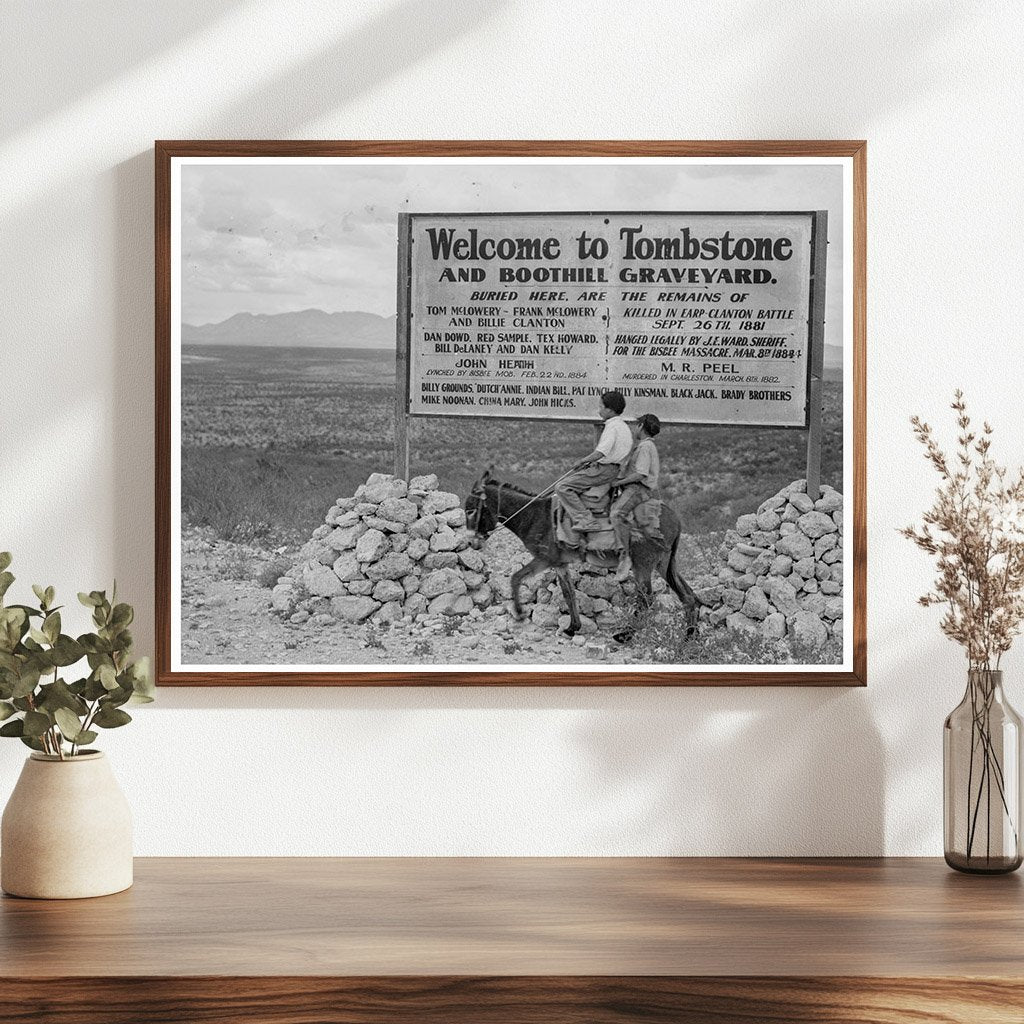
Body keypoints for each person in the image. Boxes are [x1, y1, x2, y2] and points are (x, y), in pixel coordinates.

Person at [554, 390, 633, 532]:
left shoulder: (612, 427)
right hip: (613, 468)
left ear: (609, 410)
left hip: (604, 469)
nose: (599, 411)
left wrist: (582, 461)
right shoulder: (623, 427)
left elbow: (601, 452)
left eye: (601, 407)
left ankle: (586, 521)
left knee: (562, 487)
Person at [610, 412, 663, 582]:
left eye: (637, 425)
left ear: (641, 426)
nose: (635, 428)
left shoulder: (645, 446)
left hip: (638, 489)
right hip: (636, 487)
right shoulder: (645, 446)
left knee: (616, 513)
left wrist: (619, 482)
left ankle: (625, 556)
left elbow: (640, 474)